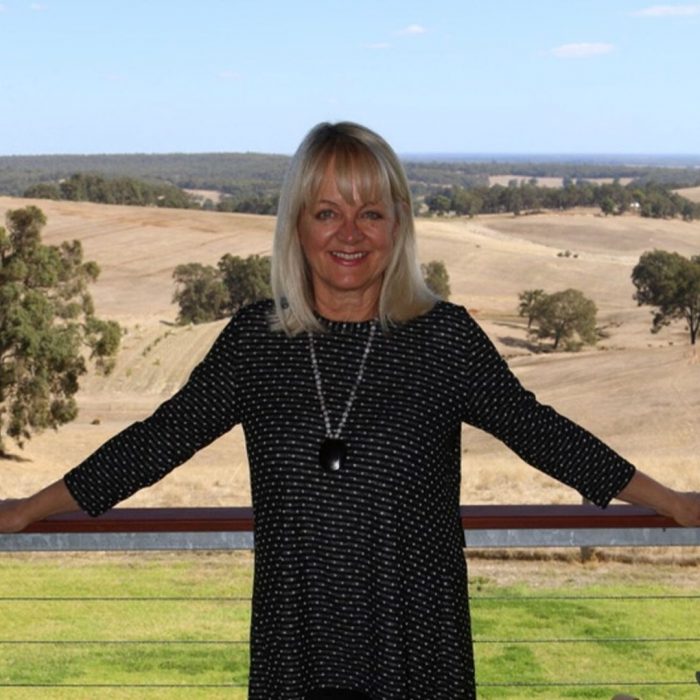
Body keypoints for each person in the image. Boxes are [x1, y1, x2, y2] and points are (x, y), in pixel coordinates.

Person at [1, 121, 698, 700]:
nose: (349, 233)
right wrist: (29, 508)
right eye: (327, 211)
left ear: (399, 224)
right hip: (297, 636)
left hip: (416, 638)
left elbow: (539, 430)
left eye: (370, 212)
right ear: (297, 226)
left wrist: (668, 500)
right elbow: (158, 442)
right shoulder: (256, 342)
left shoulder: (442, 338)